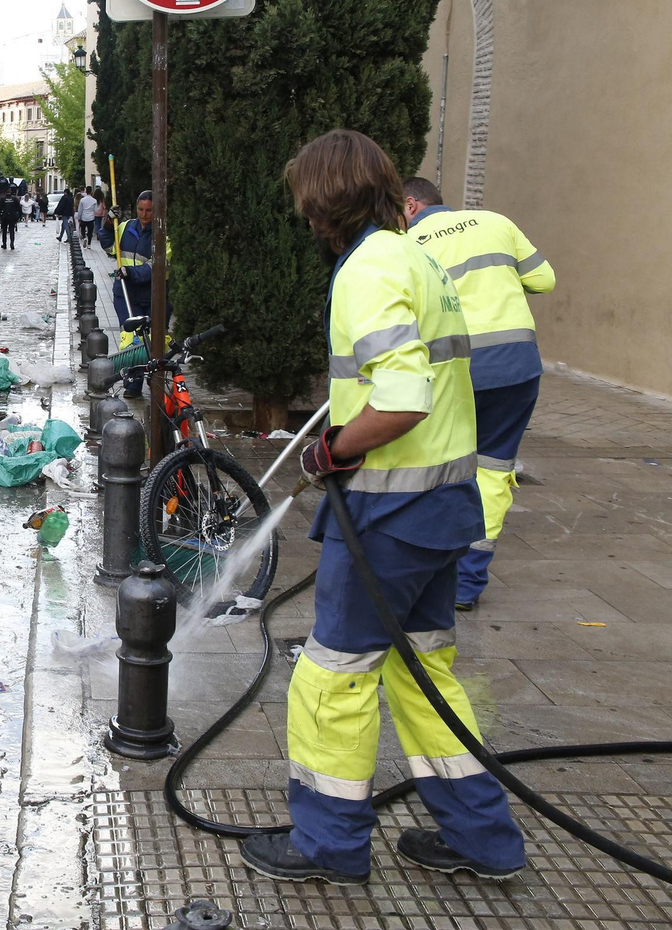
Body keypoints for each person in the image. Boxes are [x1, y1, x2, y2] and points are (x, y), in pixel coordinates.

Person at [238, 129, 525, 886]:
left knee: (333, 676)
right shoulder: (417, 257)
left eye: (307, 204)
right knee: (424, 676)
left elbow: (401, 401)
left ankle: (327, 845)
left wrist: (333, 450)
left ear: (324, 199)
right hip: (442, 512)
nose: (305, 219)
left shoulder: (366, 269)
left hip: (390, 520)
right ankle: (484, 841)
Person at [403, 177, 555, 610]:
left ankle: (428, 573)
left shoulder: (409, 242)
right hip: (517, 368)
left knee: (439, 466)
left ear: (411, 205)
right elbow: (544, 280)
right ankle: (467, 587)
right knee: (492, 470)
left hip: (457, 372)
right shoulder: (496, 221)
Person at [99, 190, 161, 392]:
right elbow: (109, 247)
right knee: (130, 340)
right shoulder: (125, 227)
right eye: (141, 209)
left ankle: (156, 382)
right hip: (125, 293)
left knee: (153, 342)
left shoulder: (161, 232)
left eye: (149, 210)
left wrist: (131, 272)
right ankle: (133, 385)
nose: (144, 214)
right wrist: (109, 223)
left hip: (151, 295)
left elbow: (157, 266)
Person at [0, 180, 21, 250]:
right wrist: (19, 216)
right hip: (12, 217)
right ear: (11, 192)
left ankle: (4, 244)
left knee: (4, 231)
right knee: (12, 231)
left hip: (5, 217)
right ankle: (12, 243)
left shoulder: (3, 199)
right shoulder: (14, 199)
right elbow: (19, 208)